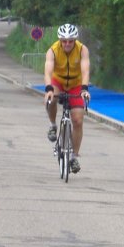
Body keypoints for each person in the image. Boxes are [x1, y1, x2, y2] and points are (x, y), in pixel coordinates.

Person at [44, 23, 90, 174]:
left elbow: (85, 70)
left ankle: (73, 156)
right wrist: (49, 89)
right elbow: (48, 70)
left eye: (70, 40)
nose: (67, 44)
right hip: (58, 81)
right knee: (51, 99)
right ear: (60, 40)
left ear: (75, 40)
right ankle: (52, 125)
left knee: (78, 120)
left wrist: (84, 89)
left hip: (76, 84)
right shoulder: (53, 51)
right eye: (64, 41)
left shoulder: (82, 50)